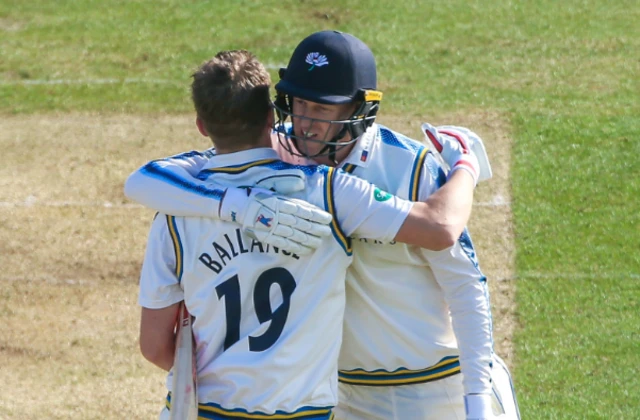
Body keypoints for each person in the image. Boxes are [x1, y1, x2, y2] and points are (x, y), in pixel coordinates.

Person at [128, 31, 520, 419]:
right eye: (299, 104)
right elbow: (145, 181)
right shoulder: (282, 151)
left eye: (322, 109)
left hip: (438, 389)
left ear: (359, 109)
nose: (306, 124)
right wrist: (239, 207)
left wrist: (478, 402)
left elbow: (466, 285)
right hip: (344, 397)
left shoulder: (411, 166)